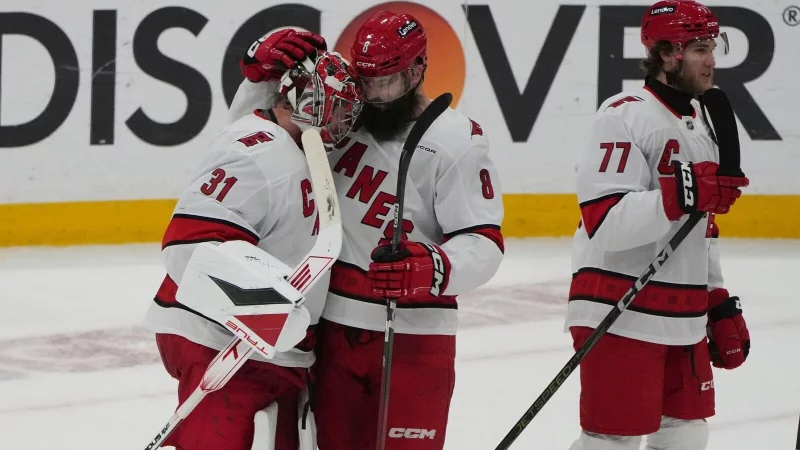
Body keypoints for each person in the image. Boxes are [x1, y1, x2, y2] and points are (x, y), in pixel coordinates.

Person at [232, 11, 505, 450]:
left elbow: (483, 242)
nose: (373, 96)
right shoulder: (338, 117)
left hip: (416, 337)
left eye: (387, 83)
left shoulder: (457, 141)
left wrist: (433, 267)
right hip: (333, 330)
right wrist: (257, 80)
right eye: (366, 80)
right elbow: (251, 141)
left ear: (418, 69)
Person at [142, 34, 361, 450]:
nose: (339, 125)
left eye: (345, 113)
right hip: (222, 342)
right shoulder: (255, 153)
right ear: (296, 103)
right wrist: (268, 313)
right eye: (330, 110)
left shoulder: (298, 143)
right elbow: (188, 247)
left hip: (272, 350)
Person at [566, 1, 751, 449]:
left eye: (713, 47)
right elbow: (606, 221)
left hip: (683, 314)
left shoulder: (700, 123)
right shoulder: (623, 114)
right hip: (620, 309)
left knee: (687, 433)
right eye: (701, 49)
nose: (711, 60)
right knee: (613, 441)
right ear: (667, 53)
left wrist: (715, 297)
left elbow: (702, 227)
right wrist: (684, 193)